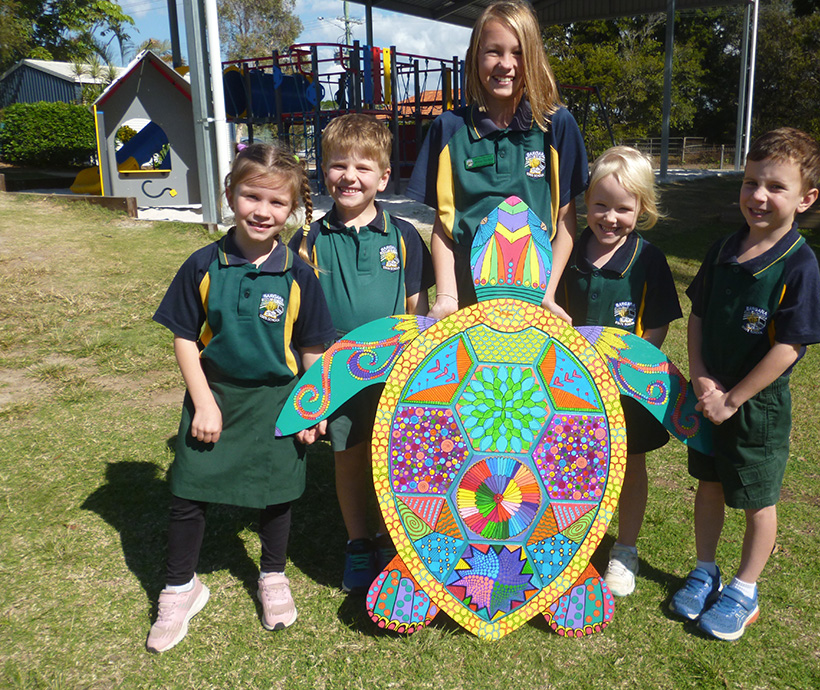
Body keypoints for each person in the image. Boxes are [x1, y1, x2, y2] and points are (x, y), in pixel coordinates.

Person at [147, 144, 336, 653]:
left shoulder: (299, 273)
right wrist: (204, 402)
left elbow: (312, 349)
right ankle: (180, 588)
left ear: (291, 209)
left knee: (277, 494)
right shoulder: (202, 264)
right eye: (252, 196)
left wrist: (313, 406)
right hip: (215, 398)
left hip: (278, 400)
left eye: (277, 203)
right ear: (230, 194)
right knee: (188, 492)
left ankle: (272, 575)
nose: (262, 211)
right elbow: (184, 337)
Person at [669, 128, 820, 640]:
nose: (758, 196)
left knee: (758, 499)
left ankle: (744, 589)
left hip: (756, 409)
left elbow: (790, 347)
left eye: (776, 187)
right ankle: (705, 570)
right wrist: (701, 377)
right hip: (709, 397)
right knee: (710, 484)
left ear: (805, 199)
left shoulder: (798, 264)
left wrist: (734, 398)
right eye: (750, 182)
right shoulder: (722, 249)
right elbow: (698, 316)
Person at [288, 114, 434, 593]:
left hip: (397, 374)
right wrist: (314, 388)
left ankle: (396, 540)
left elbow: (418, 311)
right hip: (338, 376)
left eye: (362, 167)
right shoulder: (306, 242)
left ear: (384, 177)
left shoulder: (405, 236)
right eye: (338, 165)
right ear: (323, 171)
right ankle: (357, 542)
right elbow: (300, 325)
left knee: (398, 459)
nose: (349, 176)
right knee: (348, 458)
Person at [406, 0, 588, 322]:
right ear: (475, 56)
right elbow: (444, 228)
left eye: (518, 52)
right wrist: (447, 297)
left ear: (533, 57)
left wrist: (546, 293)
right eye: (493, 51)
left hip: (536, 304)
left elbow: (565, 222)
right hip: (467, 305)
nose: (506, 64)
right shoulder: (448, 129)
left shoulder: (557, 126)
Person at [557, 146, 682, 598]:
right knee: (567, 462)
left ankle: (624, 550)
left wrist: (633, 369)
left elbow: (660, 322)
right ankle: (566, 540)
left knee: (629, 464)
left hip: (627, 391)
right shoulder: (566, 253)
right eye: (600, 205)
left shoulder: (649, 260)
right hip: (568, 388)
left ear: (642, 209)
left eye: (623, 209)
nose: (610, 218)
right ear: (585, 203)